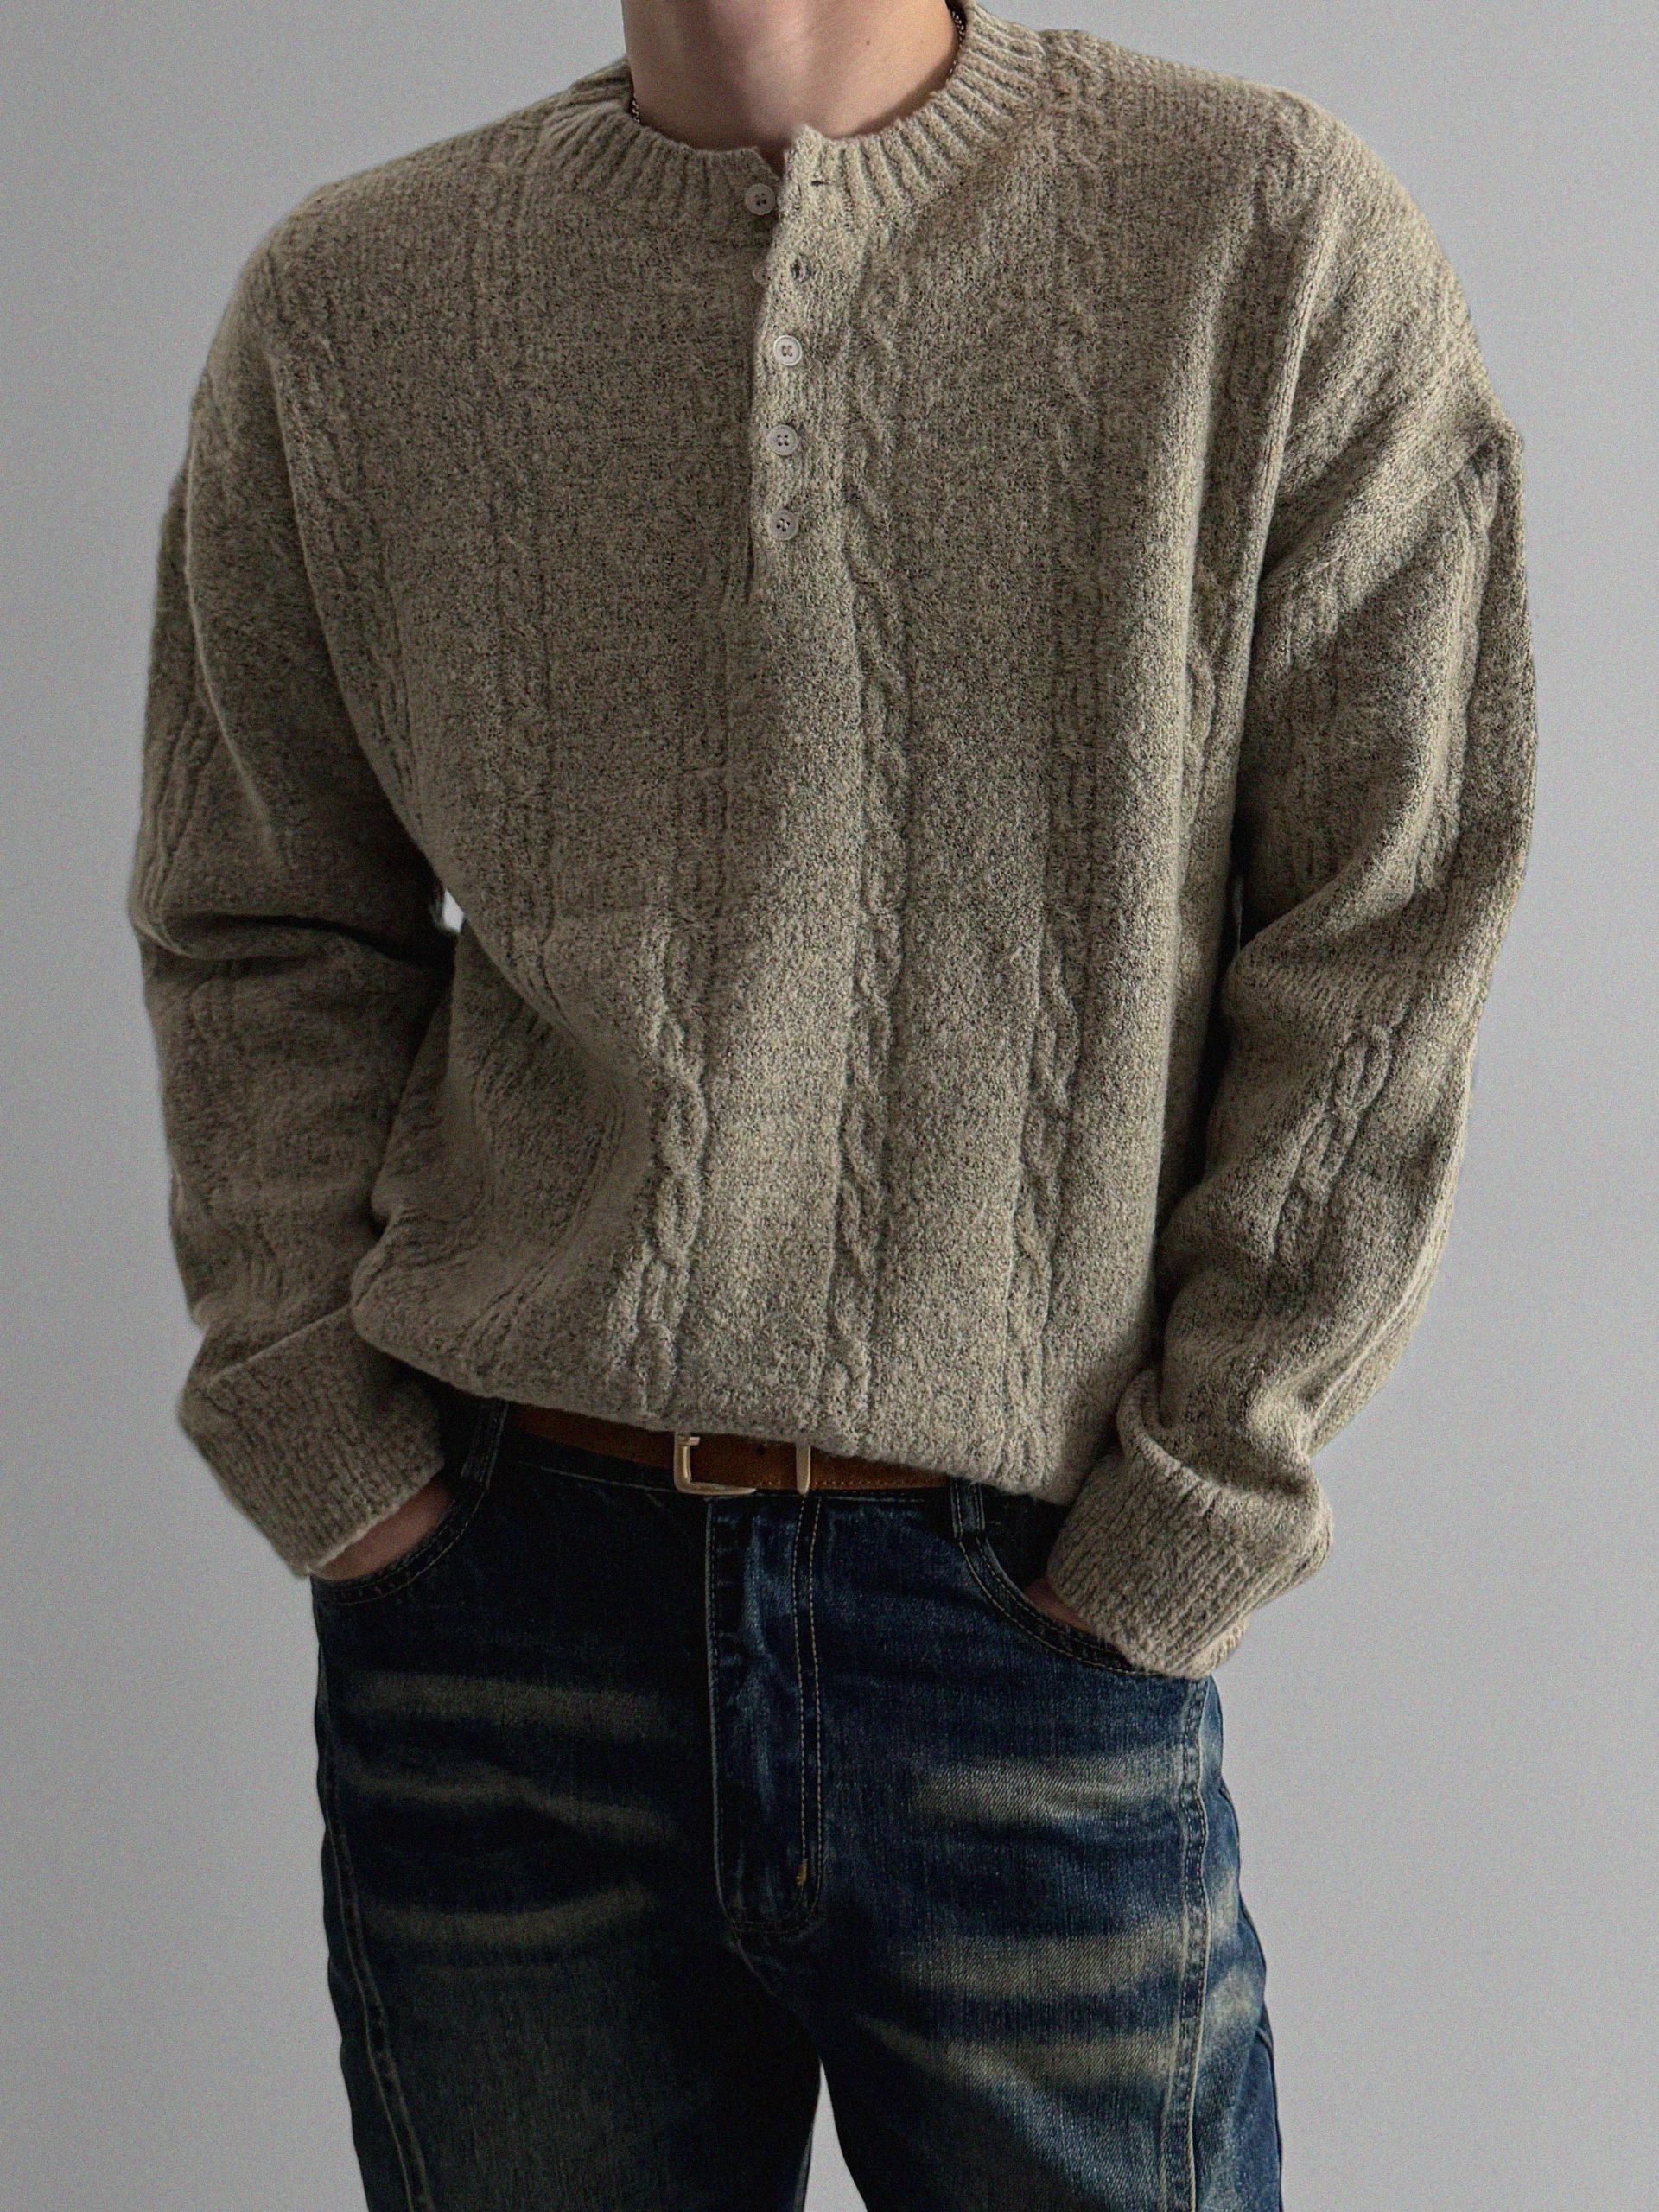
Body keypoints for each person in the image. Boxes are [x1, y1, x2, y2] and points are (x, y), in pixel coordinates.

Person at [125, 0, 1537, 2204]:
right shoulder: (354, 303)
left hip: (1026, 1608)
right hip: (502, 1613)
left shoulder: (1265, 236)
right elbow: (260, 914)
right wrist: (342, 1458)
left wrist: (1188, 1512)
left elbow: (1390, 924)